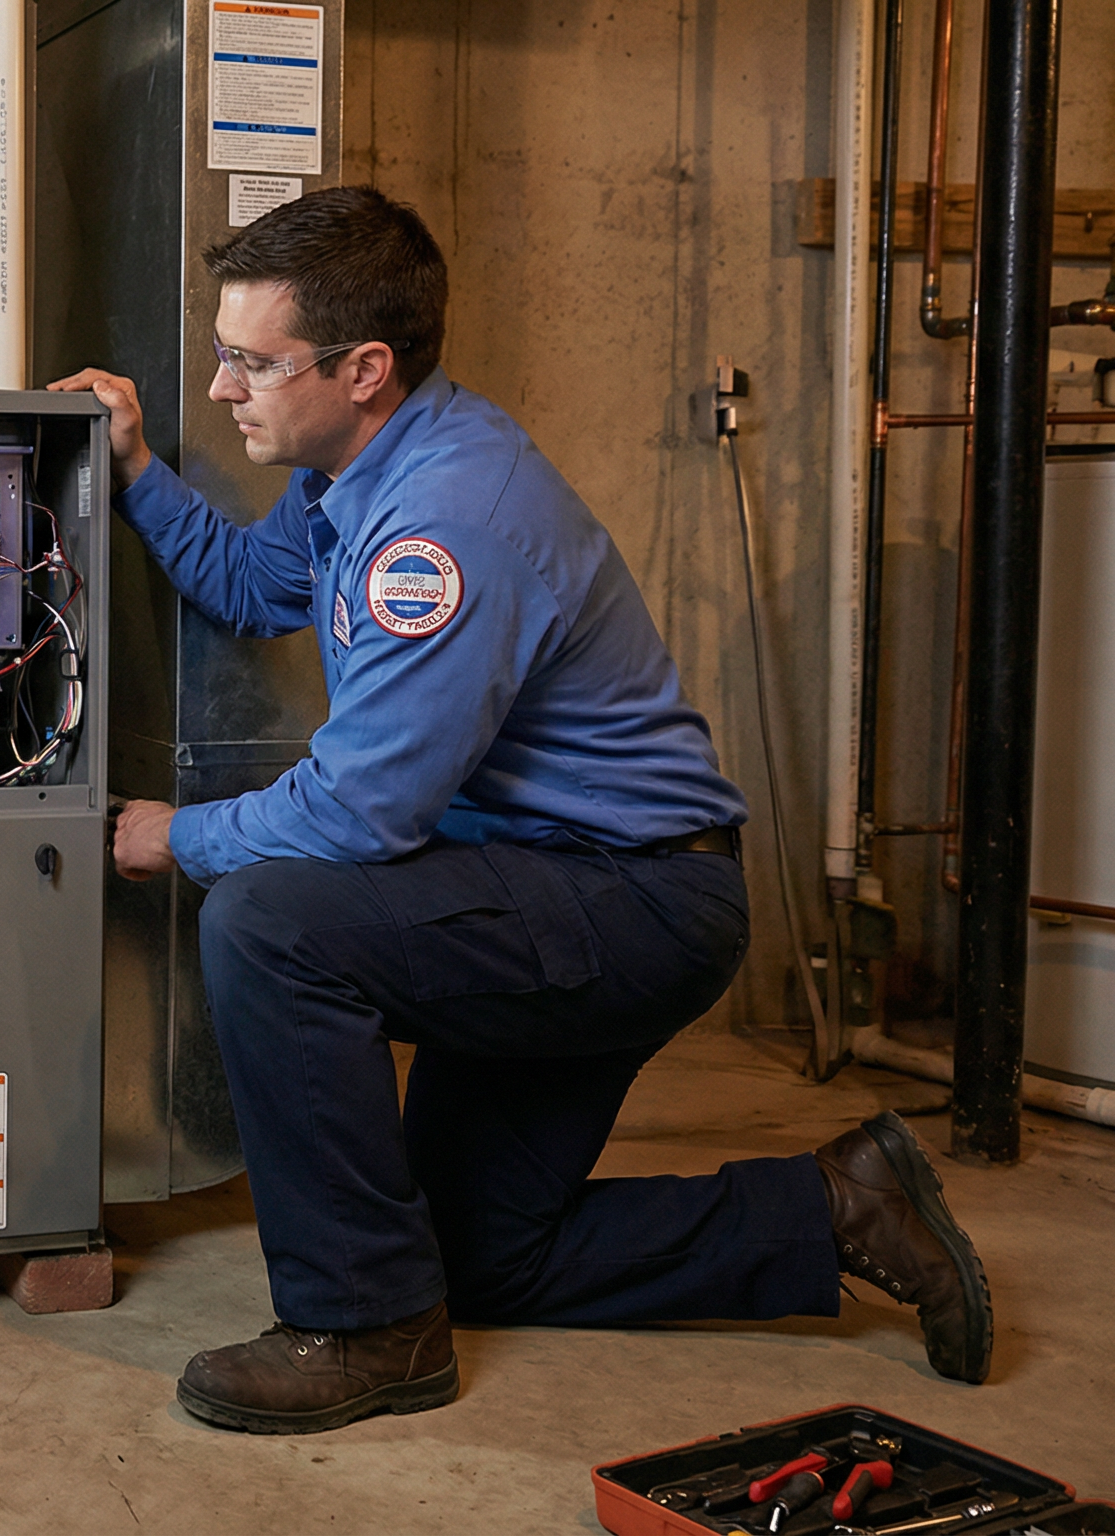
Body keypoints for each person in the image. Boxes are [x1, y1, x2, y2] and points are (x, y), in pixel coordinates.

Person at [50, 186, 993, 1436]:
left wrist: (179, 835)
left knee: (270, 920)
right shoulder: (359, 473)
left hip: (629, 900)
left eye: (249, 362)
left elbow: (355, 820)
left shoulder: (443, 521)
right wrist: (131, 470)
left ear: (363, 368)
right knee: (471, 1257)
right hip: (547, 888)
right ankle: (835, 1205)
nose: (223, 390)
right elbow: (248, 583)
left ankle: (359, 1333)